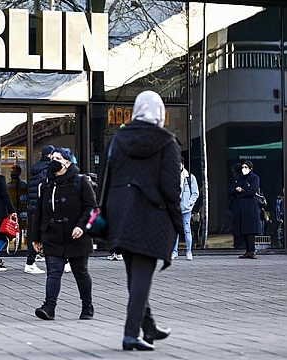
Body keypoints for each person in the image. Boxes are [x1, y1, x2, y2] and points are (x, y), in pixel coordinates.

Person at [104, 91, 179, 351]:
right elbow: (171, 189)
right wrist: (177, 222)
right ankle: (130, 334)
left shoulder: (118, 139)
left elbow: (108, 178)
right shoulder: (167, 142)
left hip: (120, 214)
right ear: (159, 112)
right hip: (152, 216)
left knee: (134, 276)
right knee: (142, 277)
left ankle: (148, 326)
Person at [30, 147, 97, 321]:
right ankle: (49, 307)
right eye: (52, 157)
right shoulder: (46, 184)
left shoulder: (81, 182)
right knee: (53, 271)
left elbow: (93, 209)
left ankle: (87, 306)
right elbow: (39, 212)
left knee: (80, 272)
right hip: (52, 236)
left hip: (77, 237)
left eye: (57, 158)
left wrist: (82, 227)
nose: (53, 161)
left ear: (67, 163)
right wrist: (35, 237)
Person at [26, 145, 54, 273]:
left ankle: (31, 261)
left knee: (37, 233)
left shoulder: (36, 169)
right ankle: (30, 262)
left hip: (34, 205)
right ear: (50, 155)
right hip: (44, 205)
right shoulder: (48, 169)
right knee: (50, 233)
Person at [229, 160, 262, 259]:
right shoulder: (238, 178)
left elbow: (252, 190)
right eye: (243, 167)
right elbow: (231, 189)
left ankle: (252, 251)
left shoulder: (254, 178)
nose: (244, 169)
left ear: (250, 168)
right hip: (239, 206)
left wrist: (241, 191)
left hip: (250, 206)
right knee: (242, 228)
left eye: (246, 167)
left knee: (250, 229)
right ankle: (247, 251)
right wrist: (236, 190)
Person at [171, 157, 199, 261]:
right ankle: (174, 252)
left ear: (183, 165)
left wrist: (189, 204)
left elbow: (195, 193)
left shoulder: (190, 177)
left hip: (186, 209)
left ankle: (189, 251)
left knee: (187, 230)